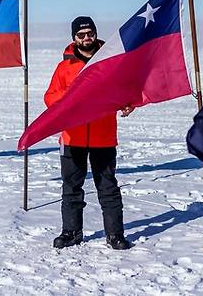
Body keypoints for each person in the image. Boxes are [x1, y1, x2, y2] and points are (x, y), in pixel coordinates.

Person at [45, 16, 133, 250]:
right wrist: (71, 96)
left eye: (90, 33)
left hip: (103, 137)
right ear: (74, 38)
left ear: (95, 33)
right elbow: (50, 97)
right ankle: (71, 232)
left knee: (108, 187)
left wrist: (128, 103)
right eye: (81, 35)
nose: (87, 38)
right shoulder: (64, 68)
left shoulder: (111, 62)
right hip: (72, 138)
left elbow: (126, 88)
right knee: (72, 188)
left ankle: (115, 234)